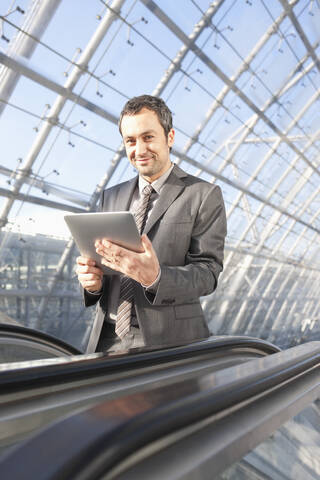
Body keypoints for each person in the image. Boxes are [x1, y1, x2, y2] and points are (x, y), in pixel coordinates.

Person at [76, 95, 227, 353]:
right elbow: (104, 262)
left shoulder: (203, 194)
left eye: (148, 137)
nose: (139, 149)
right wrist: (92, 283)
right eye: (130, 141)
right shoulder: (111, 196)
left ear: (169, 137)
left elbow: (208, 273)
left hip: (170, 341)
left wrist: (156, 277)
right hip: (107, 340)